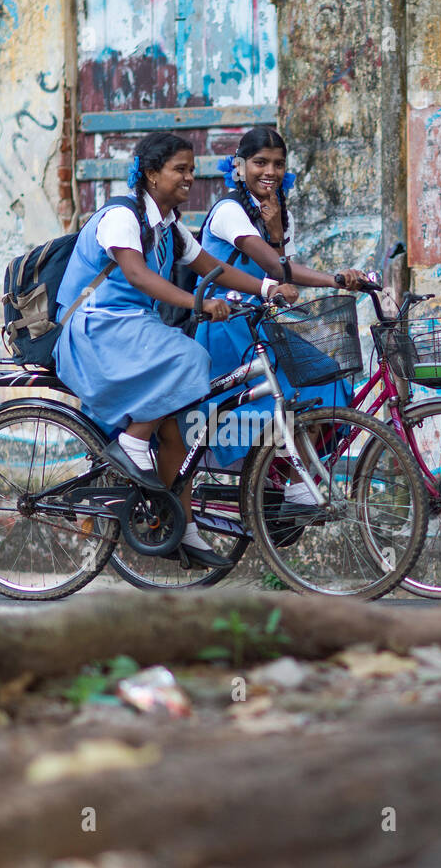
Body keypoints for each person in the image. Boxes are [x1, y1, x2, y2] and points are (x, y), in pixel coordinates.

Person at [53, 131, 287, 568]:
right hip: (95, 331)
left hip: (132, 330)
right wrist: (199, 302)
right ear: (150, 172)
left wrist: (268, 286)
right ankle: (131, 442)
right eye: (179, 169)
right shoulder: (122, 218)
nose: (189, 178)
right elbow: (139, 277)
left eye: (191, 170)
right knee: (190, 357)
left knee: (181, 428)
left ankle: (182, 527)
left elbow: (211, 268)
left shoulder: (169, 227)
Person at [193, 125, 369, 477]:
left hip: (261, 323)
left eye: (278, 163)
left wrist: (278, 234)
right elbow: (273, 265)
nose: (270, 172)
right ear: (239, 167)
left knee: (325, 381)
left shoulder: (278, 214)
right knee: (274, 404)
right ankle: (272, 480)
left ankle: (291, 481)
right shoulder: (229, 211)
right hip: (227, 324)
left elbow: (284, 274)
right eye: (260, 162)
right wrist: (334, 280)